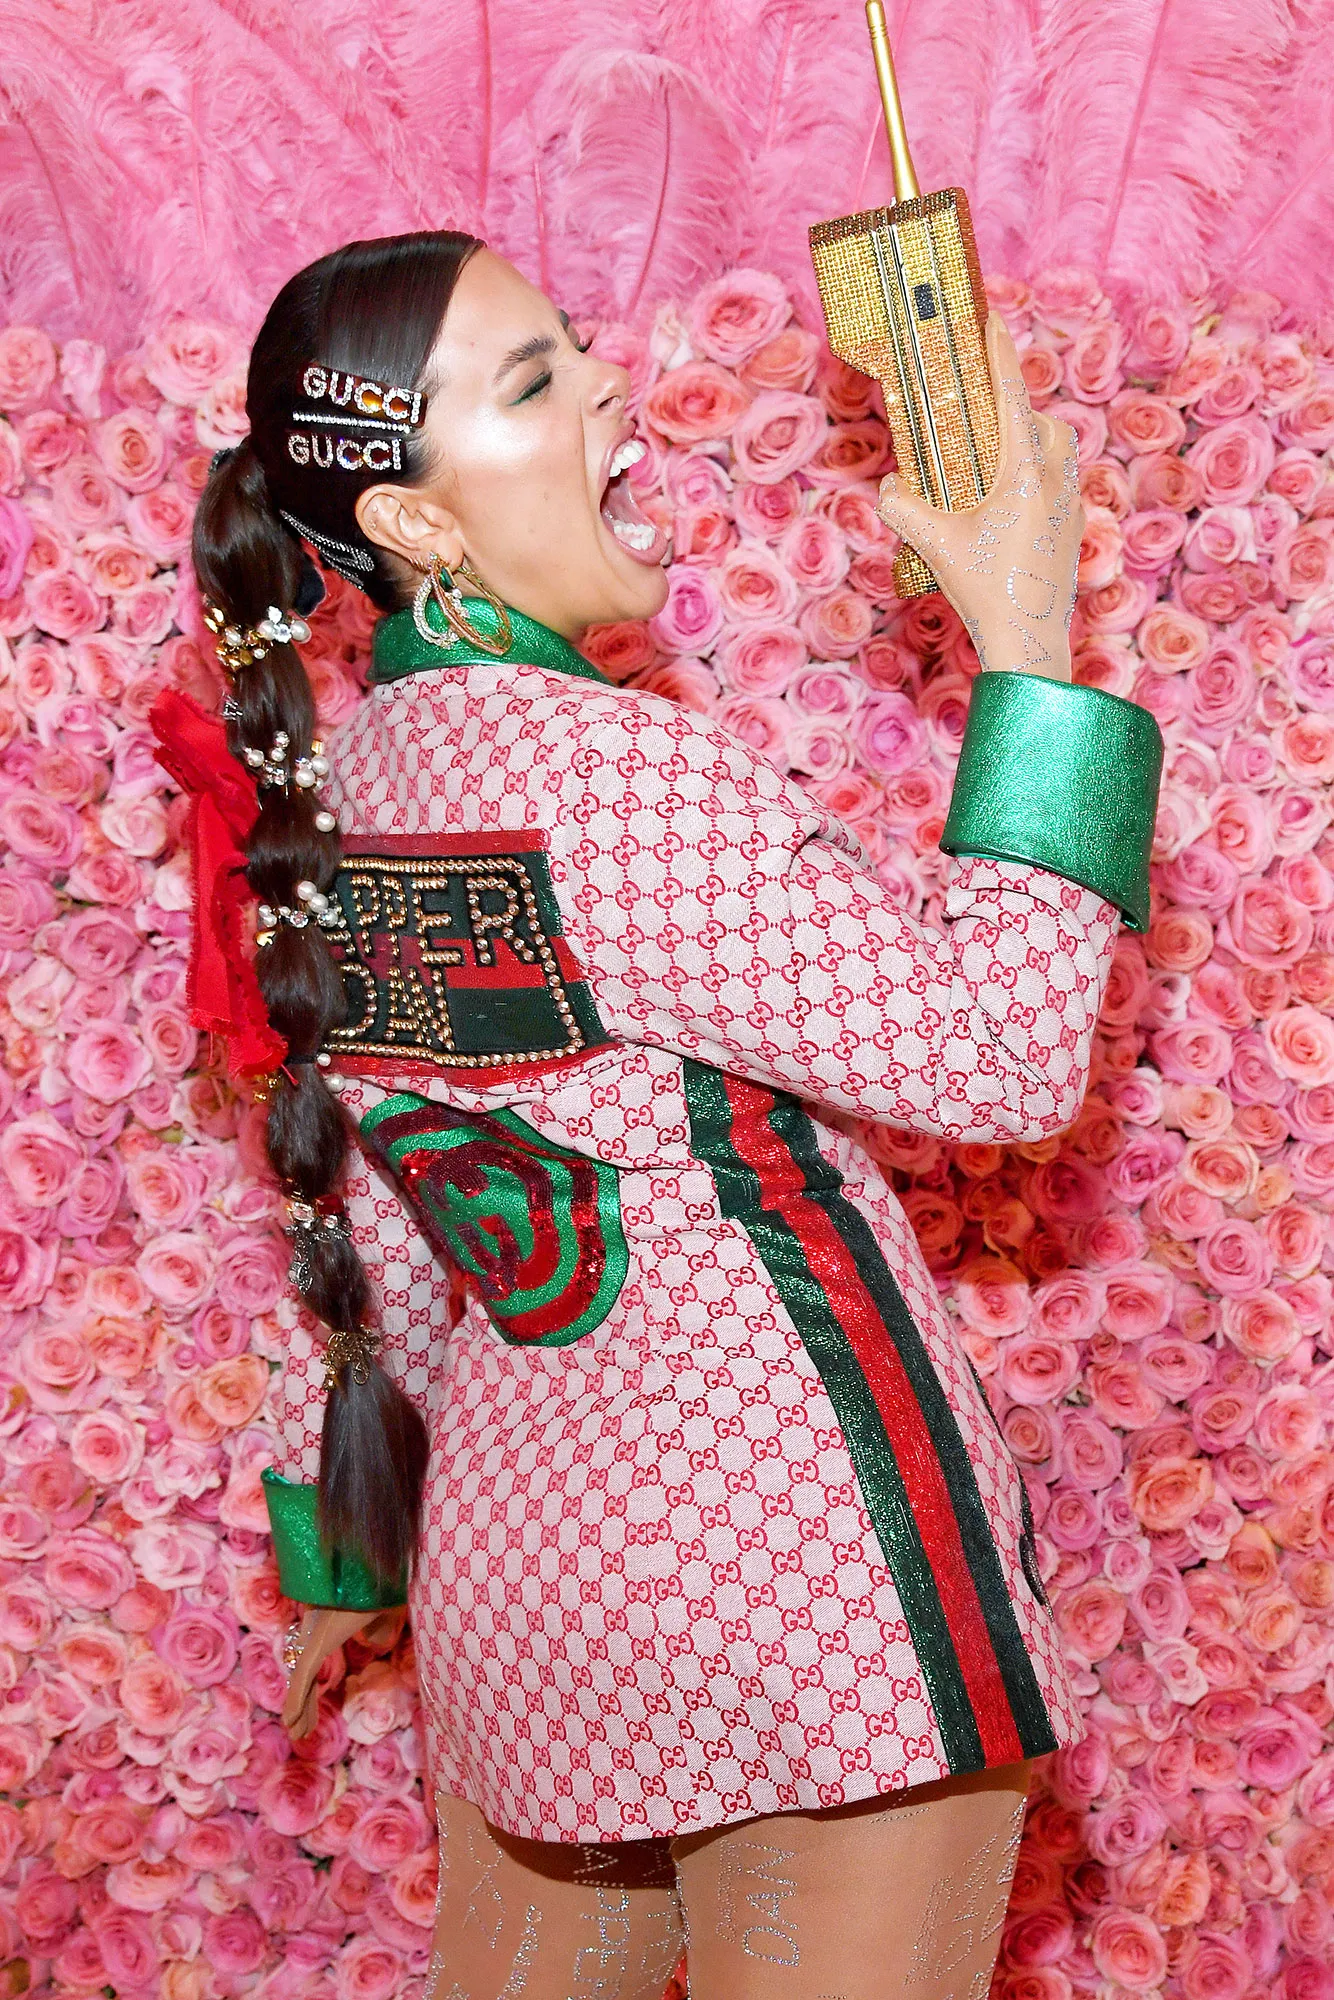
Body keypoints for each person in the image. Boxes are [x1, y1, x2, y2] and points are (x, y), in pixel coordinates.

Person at [165, 229, 1161, 1999]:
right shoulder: (615, 773)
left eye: (573, 341)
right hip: (795, 1582)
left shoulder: (339, 796)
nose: (609, 379)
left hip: (520, 1593)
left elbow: (393, 1241)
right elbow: (995, 1064)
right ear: (412, 524)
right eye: (534, 379)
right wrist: (1028, 646)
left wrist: (346, 1551)